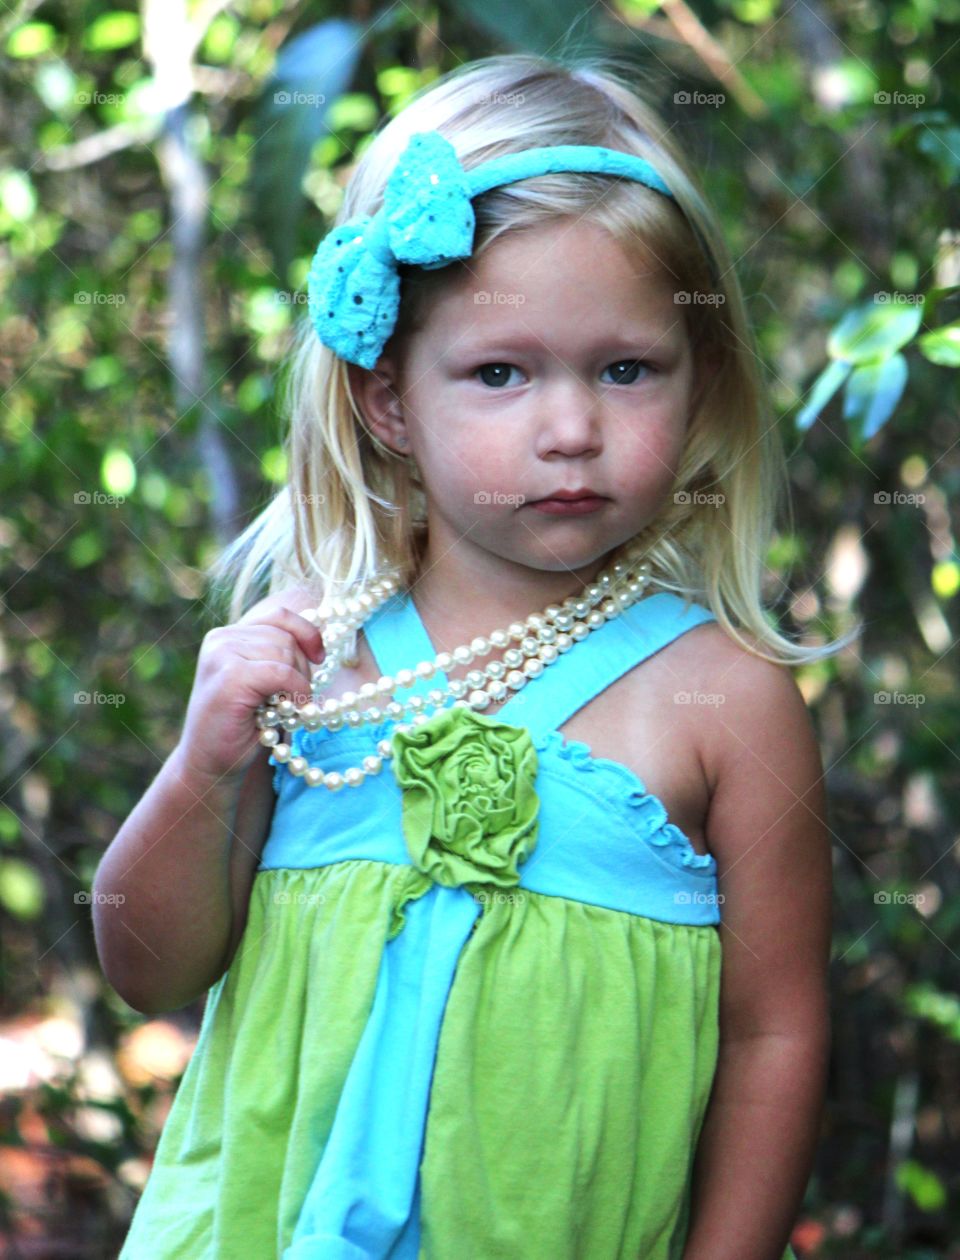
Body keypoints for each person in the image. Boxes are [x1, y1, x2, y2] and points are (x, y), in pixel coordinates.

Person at [94, 50, 852, 1260]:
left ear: (699, 378)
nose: (570, 429)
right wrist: (200, 769)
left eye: (626, 369)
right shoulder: (311, 656)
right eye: (500, 373)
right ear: (390, 399)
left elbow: (776, 1035)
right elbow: (149, 966)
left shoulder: (724, 699)